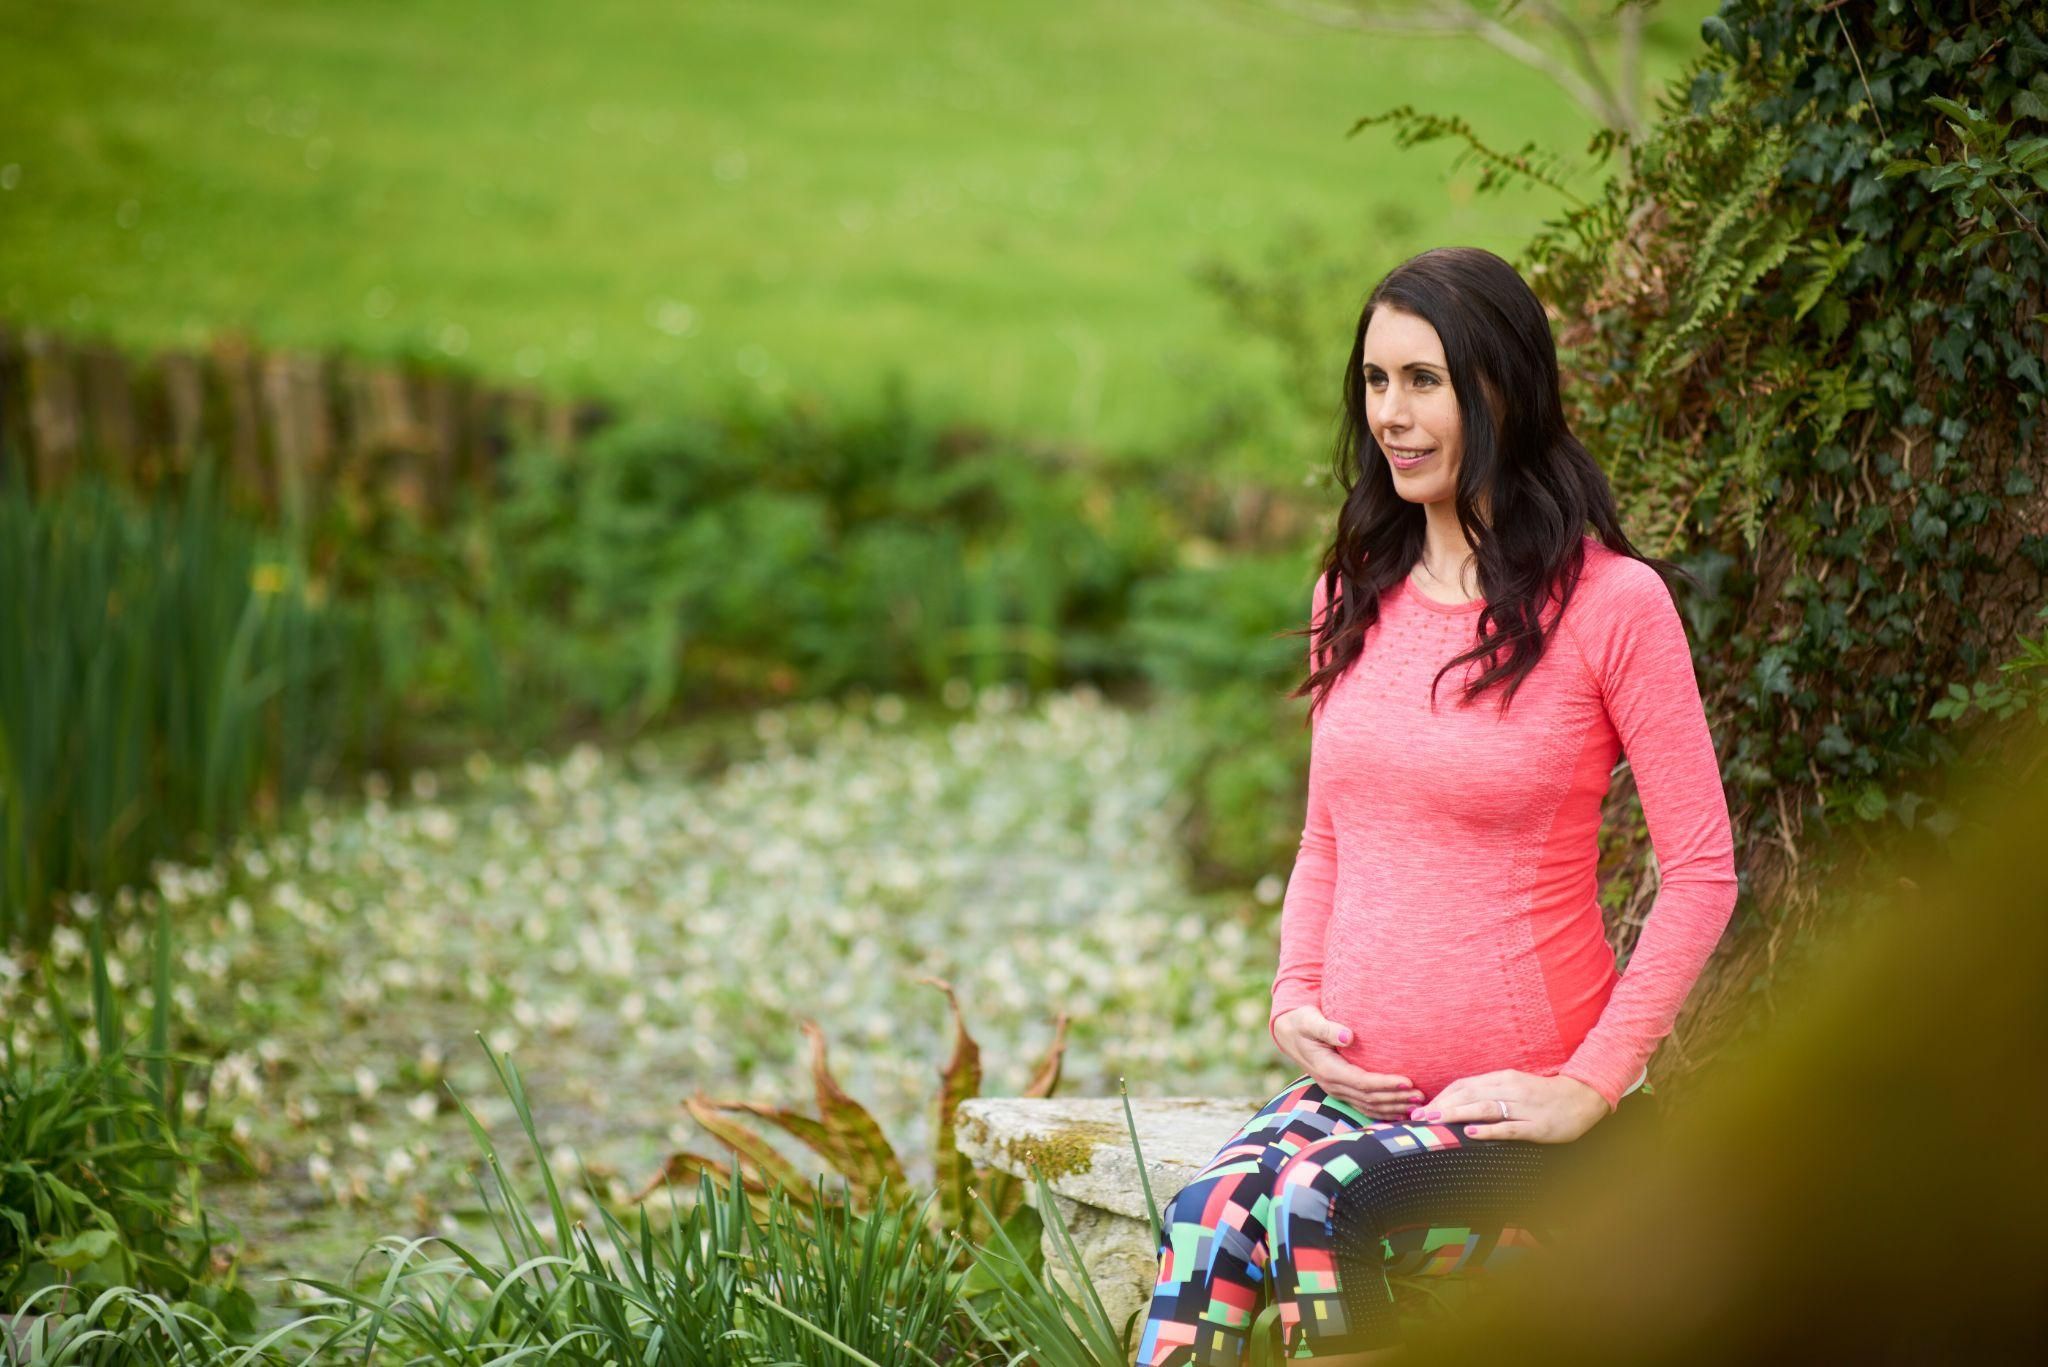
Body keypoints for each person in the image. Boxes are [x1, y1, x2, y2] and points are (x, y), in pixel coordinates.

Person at [1134, 246, 1740, 1365]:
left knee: (1320, 1202)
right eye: (1373, 382)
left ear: (1500, 389)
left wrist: (1587, 1088)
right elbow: (1326, 833)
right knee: (1206, 1216)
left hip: (1523, 1123)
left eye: (1424, 382)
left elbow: (1701, 872)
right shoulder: (1350, 589)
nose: (1390, 417)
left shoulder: (1613, 606)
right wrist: (1291, 998)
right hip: (1360, 1102)